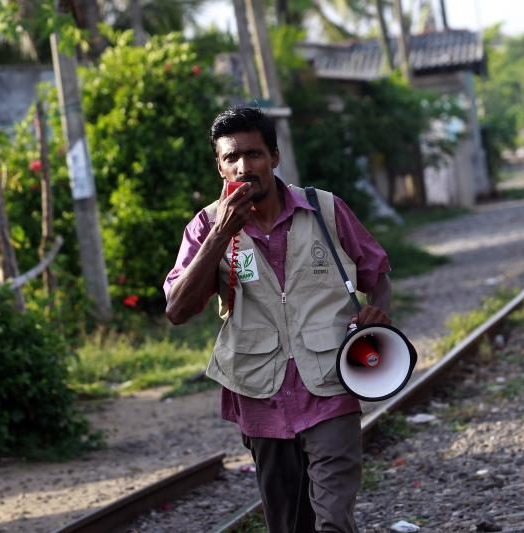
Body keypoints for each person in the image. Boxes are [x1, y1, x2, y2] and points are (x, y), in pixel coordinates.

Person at [163, 107, 392, 532]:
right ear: (219, 165)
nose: (243, 167)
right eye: (231, 157)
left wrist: (377, 313)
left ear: (274, 157)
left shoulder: (325, 210)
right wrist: (220, 236)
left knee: (333, 521)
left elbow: (377, 274)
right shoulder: (206, 226)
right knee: (287, 524)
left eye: (253, 154)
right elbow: (177, 309)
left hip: (331, 384)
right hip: (260, 395)